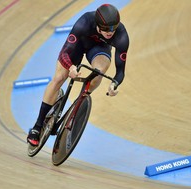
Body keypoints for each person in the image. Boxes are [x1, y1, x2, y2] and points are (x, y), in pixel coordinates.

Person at [27, 4, 129, 146]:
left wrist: (115, 83)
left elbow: (120, 71)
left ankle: (79, 104)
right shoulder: (85, 22)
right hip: (78, 46)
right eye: (106, 29)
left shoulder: (122, 36)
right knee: (59, 78)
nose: (110, 32)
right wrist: (71, 66)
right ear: (97, 25)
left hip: (99, 49)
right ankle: (37, 127)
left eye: (113, 28)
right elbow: (65, 53)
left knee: (98, 73)